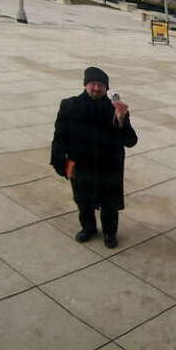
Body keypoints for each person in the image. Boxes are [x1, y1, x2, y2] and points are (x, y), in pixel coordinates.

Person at [51, 66, 138, 248]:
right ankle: (88, 228)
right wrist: (62, 164)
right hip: (80, 165)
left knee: (109, 205)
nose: (97, 88)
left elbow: (130, 141)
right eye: (93, 84)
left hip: (109, 168)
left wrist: (121, 119)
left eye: (101, 85)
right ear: (85, 85)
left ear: (107, 88)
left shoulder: (116, 109)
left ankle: (109, 233)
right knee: (83, 201)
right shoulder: (69, 105)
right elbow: (59, 138)